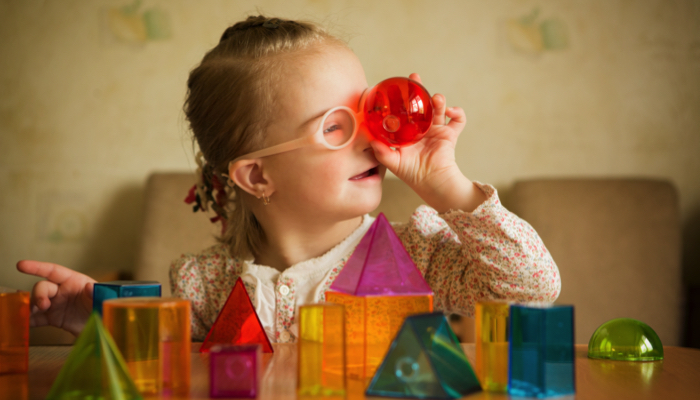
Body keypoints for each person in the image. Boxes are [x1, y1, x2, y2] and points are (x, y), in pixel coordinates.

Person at [16, 15, 560, 341]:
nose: (373, 137)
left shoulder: (419, 253)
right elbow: (165, 352)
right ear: (257, 175)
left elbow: (531, 287)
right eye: (336, 127)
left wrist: (445, 182)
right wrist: (96, 315)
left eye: (368, 113)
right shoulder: (207, 284)